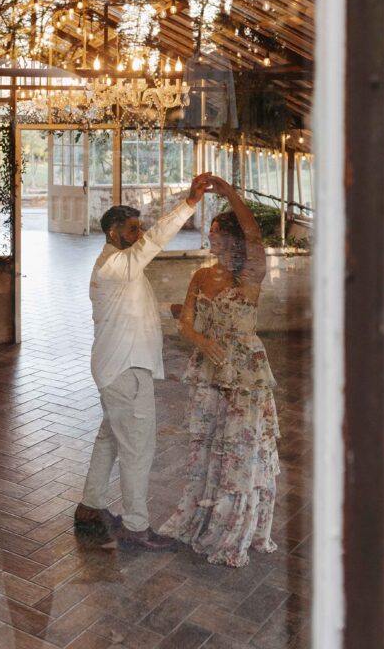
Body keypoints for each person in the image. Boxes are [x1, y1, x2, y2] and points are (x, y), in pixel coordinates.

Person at [74, 172, 213, 552]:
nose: (139, 235)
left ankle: (90, 507)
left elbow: (133, 306)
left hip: (118, 369)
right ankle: (136, 526)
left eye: (139, 228)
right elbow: (152, 245)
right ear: (113, 232)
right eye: (133, 229)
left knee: (111, 440)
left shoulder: (120, 267)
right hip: (125, 370)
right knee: (138, 448)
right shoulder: (114, 265)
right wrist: (189, 203)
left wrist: (171, 309)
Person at [160, 175, 279, 568]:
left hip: (244, 374)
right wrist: (202, 342)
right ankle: (202, 516)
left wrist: (229, 194)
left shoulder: (250, 277)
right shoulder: (201, 275)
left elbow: (255, 235)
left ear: (233, 240)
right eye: (209, 233)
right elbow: (185, 323)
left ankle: (234, 527)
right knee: (206, 447)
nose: (211, 239)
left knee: (239, 453)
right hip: (208, 372)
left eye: (217, 233)